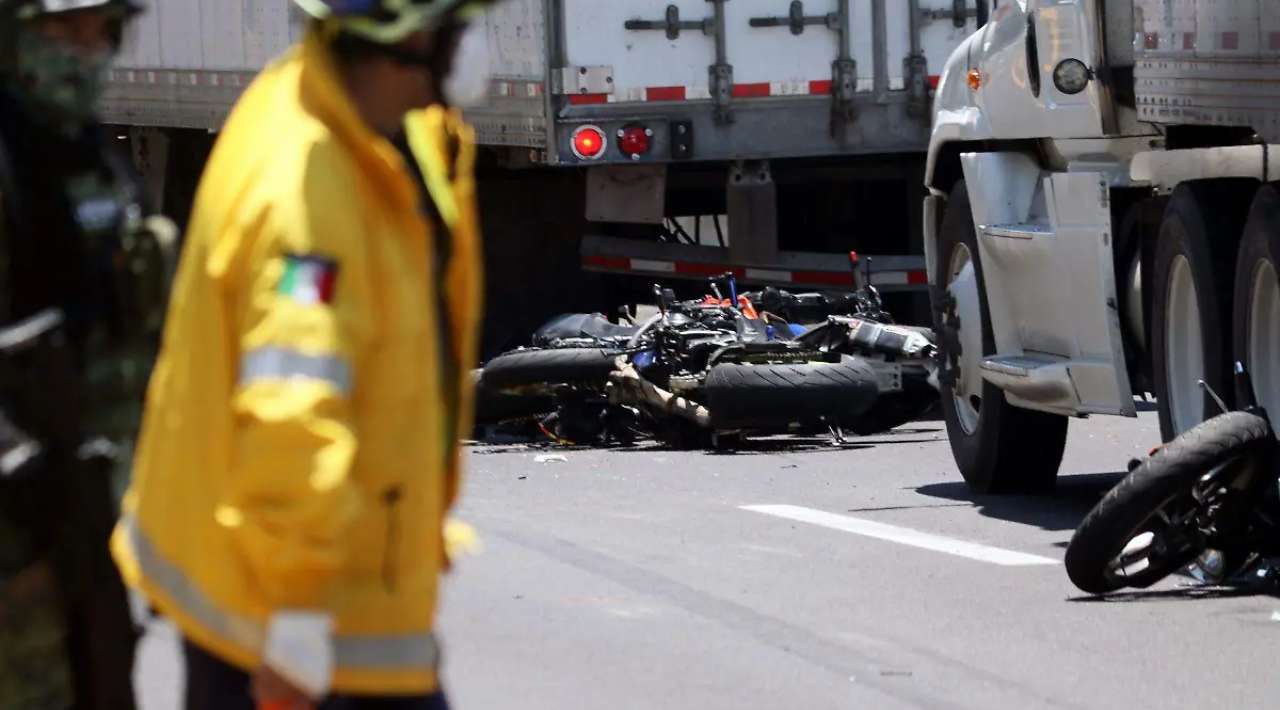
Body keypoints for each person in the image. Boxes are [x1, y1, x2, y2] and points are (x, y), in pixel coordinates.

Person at [111, 1, 499, 708]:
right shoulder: (307, 193)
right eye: (458, 21)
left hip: (321, 595)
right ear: (402, 35)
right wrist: (294, 622)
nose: (473, 40)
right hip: (294, 619)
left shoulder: (376, 130)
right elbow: (293, 405)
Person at [0, 1, 172, 709]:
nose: (85, 49)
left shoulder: (87, 156)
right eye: (62, 30)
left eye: (100, 30)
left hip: (80, 526)